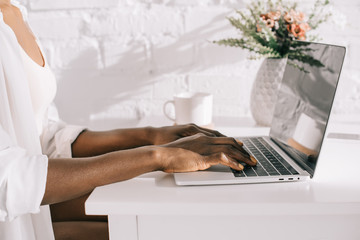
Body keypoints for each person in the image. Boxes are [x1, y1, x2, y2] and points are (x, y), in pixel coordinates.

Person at [0, 1, 256, 239]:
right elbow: (8, 180)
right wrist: (158, 156)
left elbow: (40, 135)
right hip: (14, 221)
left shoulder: (13, 12)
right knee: (163, 227)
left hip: (31, 214)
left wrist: (150, 136)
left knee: (167, 216)